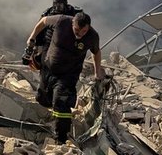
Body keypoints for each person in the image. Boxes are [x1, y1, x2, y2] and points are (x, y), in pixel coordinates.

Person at [25, 11, 105, 144]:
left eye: (84, 31)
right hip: (49, 69)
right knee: (43, 99)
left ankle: (61, 138)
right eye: (77, 30)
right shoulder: (61, 21)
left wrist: (97, 73)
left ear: (88, 28)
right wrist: (32, 38)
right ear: (73, 22)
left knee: (61, 101)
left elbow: (96, 52)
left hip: (68, 74)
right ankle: (52, 119)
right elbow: (44, 21)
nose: (80, 34)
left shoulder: (92, 36)